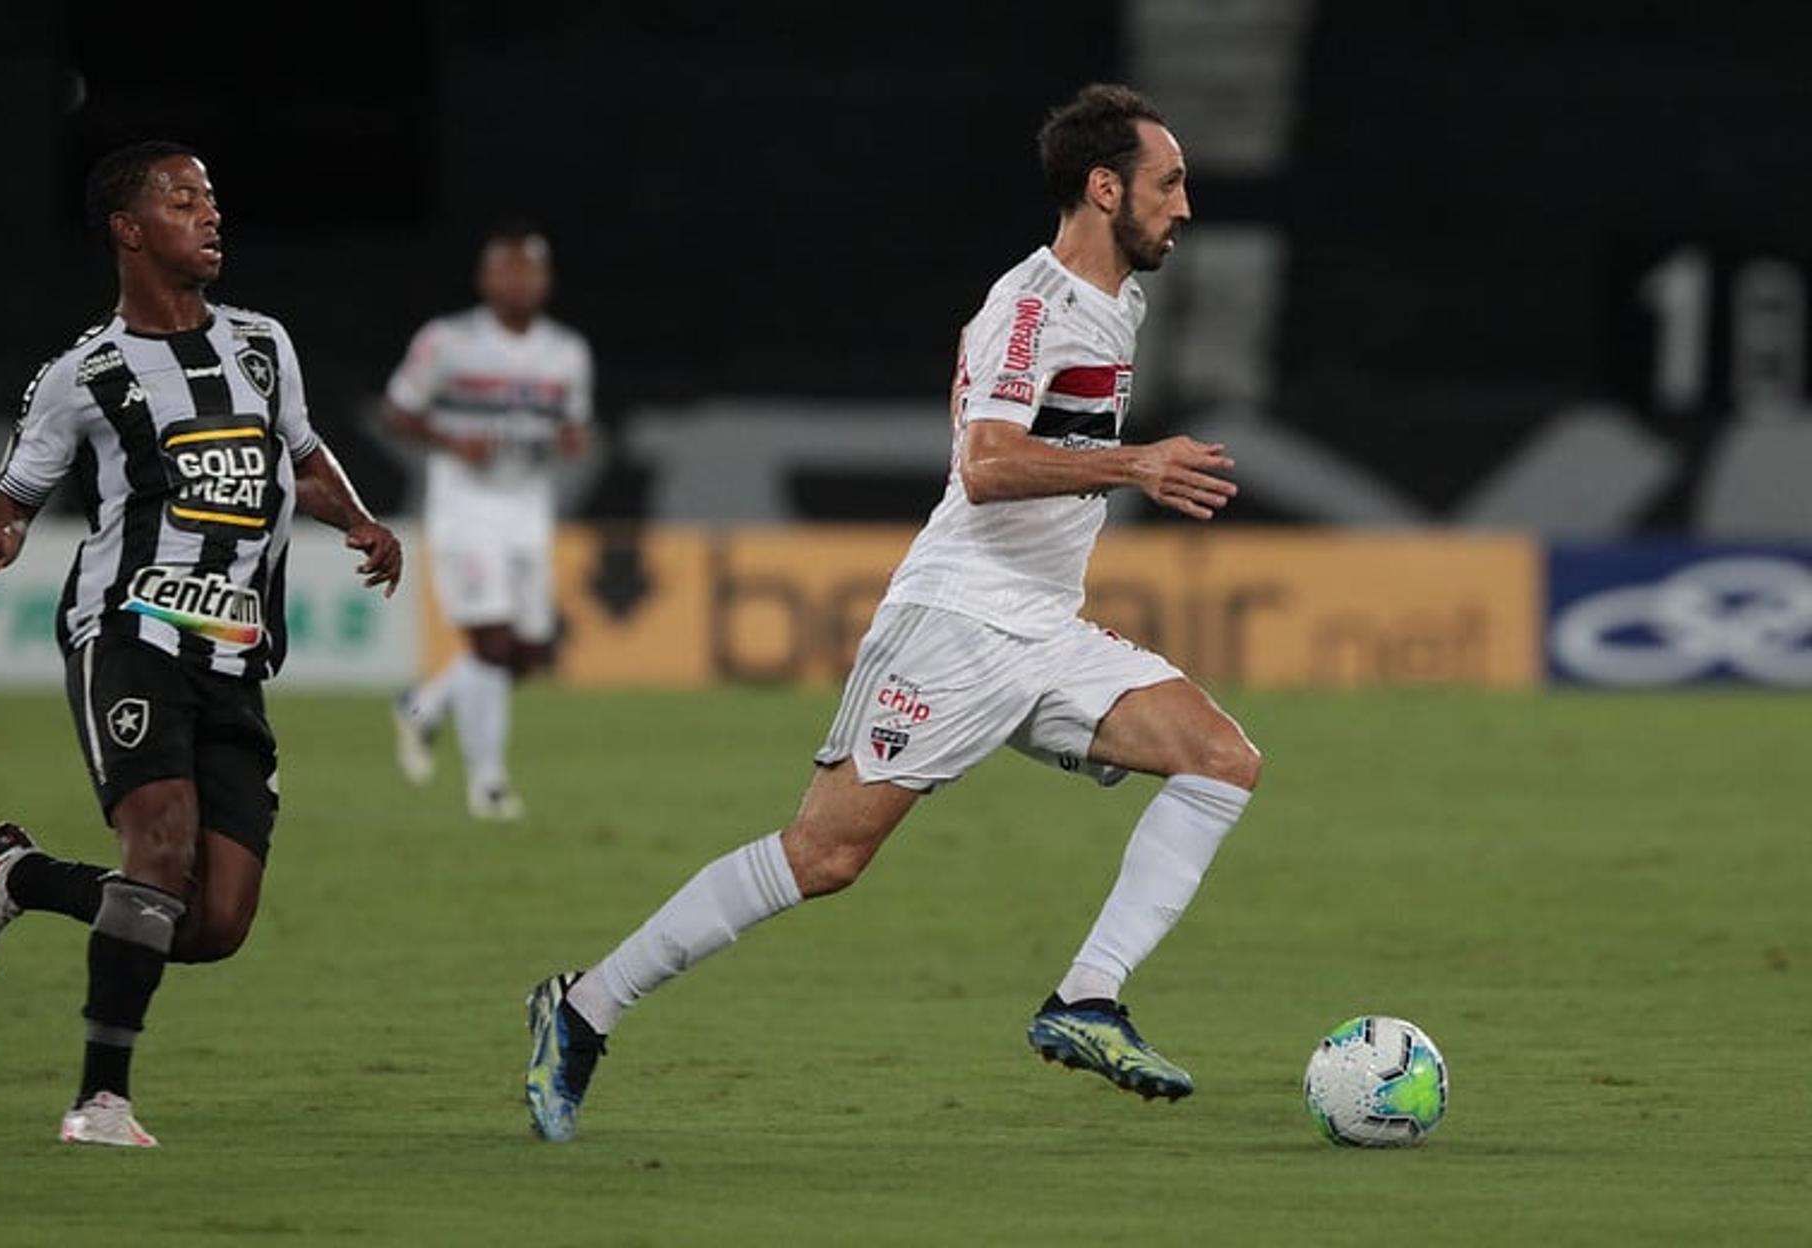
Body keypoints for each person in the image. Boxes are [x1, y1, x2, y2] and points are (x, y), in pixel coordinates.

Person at [521, 83, 1262, 1143]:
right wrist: (1136, 462)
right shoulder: (1030, 306)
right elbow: (989, 462)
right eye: (1169, 183)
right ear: (1107, 189)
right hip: (957, 620)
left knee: (1222, 758)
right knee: (823, 858)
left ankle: (1086, 999)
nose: (1185, 206)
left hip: (1045, 625)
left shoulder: (1120, 306)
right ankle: (583, 1009)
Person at [0, 140, 403, 1148]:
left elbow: (303, 455)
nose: (210, 215)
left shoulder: (260, 345)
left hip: (238, 656)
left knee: (212, 924)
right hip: (129, 634)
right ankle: (100, 1102)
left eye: (211, 199)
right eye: (184, 200)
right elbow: (15, 498)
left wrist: (362, 521)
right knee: (156, 850)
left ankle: (18, 878)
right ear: (128, 230)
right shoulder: (84, 375)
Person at [383, 226, 593, 820]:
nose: (519, 282)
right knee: (492, 643)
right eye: (508, 270)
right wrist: (449, 439)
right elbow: (396, 411)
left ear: (546, 282)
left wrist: (570, 438)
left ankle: (423, 705)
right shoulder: (447, 341)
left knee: (527, 652)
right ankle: (489, 781)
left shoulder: (568, 353)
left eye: (530, 271)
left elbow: (571, 425)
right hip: (466, 509)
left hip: (527, 509)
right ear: (486, 278)